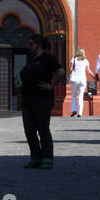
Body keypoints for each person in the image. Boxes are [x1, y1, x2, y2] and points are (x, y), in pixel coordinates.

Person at [19, 34, 65, 169]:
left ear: (38, 45)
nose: (29, 46)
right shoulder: (32, 59)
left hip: (42, 99)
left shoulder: (48, 58)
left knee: (42, 129)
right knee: (29, 130)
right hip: (28, 100)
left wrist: (51, 85)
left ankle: (47, 158)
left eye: (31, 44)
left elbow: (61, 72)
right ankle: (35, 157)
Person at [68, 48, 93, 117]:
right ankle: (80, 113)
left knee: (73, 95)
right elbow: (89, 71)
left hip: (75, 79)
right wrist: (94, 77)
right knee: (80, 96)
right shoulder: (86, 60)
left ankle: (73, 110)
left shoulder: (74, 59)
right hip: (82, 79)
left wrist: (68, 75)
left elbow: (70, 69)